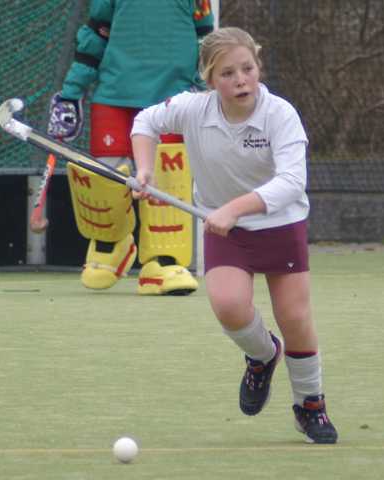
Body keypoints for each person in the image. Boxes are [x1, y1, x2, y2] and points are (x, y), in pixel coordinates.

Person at [131, 27, 338, 444]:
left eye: (247, 68)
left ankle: (310, 405)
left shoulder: (280, 114)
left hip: (279, 223)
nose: (241, 80)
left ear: (258, 66)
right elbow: (145, 122)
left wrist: (234, 208)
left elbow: (292, 182)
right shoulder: (192, 110)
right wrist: (145, 168)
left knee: (295, 318)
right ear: (209, 80)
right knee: (228, 306)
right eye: (227, 73)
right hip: (225, 229)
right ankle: (262, 356)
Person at [47, 1, 214, 295]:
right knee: (105, 177)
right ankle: (111, 243)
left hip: (173, 99)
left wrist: (206, 90)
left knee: (168, 179)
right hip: (114, 94)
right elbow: (96, 33)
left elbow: (207, 42)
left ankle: (163, 260)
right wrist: (72, 92)